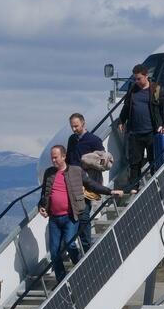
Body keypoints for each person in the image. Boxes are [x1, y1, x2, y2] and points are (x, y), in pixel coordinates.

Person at [39, 145, 123, 283]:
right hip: (54, 219)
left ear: (64, 156)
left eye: (56, 157)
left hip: (70, 217)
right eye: (52, 157)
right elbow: (44, 194)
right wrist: (41, 207)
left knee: (70, 244)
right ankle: (61, 281)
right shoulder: (49, 173)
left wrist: (109, 191)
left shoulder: (76, 171)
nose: (53, 160)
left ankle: (80, 267)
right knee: (54, 253)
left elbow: (91, 184)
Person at [116, 64, 164, 189]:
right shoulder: (132, 89)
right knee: (134, 162)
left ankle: (156, 185)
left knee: (155, 160)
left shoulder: (156, 90)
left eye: (139, 79)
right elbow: (126, 107)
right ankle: (134, 187)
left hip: (152, 132)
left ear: (146, 76)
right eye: (135, 79)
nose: (137, 81)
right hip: (135, 133)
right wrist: (121, 120)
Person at [66, 112, 105, 256]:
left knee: (84, 214)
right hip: (74, 182)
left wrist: (88, 162)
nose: (74, 129)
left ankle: (86, 247)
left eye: (76, 126)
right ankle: (78, 246)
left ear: (83, 124)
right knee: (77, 214)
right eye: (72, 127)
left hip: (88, 182)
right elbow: (69, 159)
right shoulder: (72, 140)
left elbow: (104, 161)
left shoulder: (94, 140)